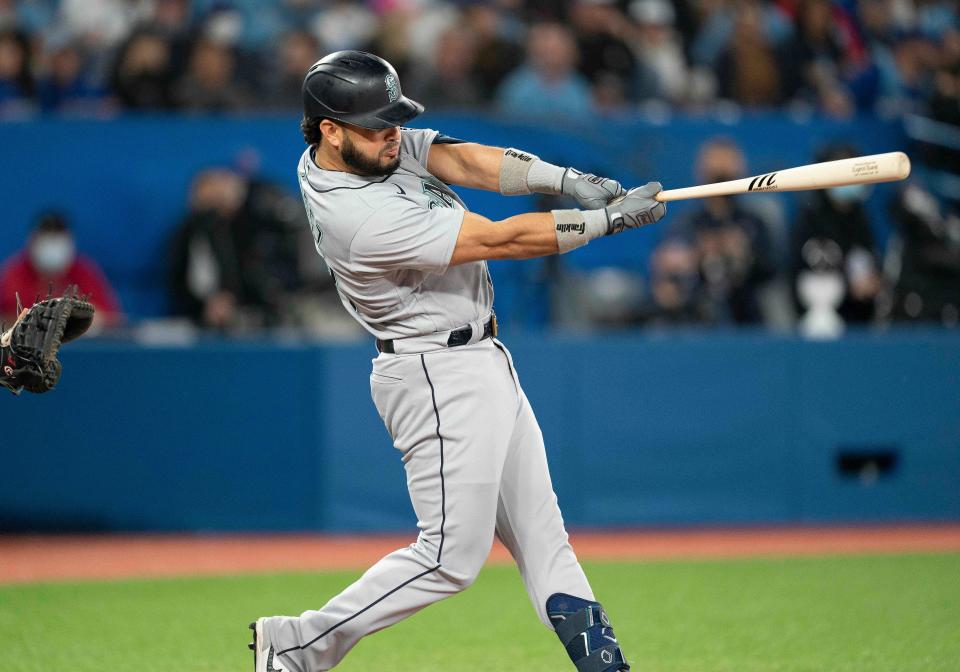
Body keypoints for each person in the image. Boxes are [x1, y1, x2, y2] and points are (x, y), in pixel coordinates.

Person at [248, 50, 666, 672]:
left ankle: (608, 668)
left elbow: (459, 158)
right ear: (330, 130)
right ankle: (298, 645)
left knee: (545, 540)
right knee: (449, 558)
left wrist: (562, 179)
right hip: (432, 374)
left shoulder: (363, 148)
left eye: (394, 121)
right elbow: (498, 239)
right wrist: (600, 223)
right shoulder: (358, 217)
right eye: (376, 126)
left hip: (481, 357)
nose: (393, 136)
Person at [0, 211, 122, 329]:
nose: (52, 248)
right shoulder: (14, 273)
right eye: (47, 240)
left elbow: (112, 319)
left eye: (57, 240)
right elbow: (7, 316)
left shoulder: (84, 271)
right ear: (32, 241)